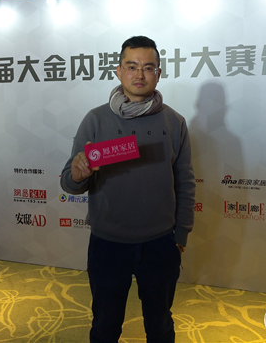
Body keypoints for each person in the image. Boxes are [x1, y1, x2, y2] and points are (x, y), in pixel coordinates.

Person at [60, 35, 196, 343]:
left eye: (148, 68)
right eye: (131, 66)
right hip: (108, 243)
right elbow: (69, 181)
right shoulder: (96, 120)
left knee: (160, 326)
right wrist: (78, 175)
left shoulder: (174, 122)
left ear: (158, 73)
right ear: (119, 71)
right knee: (105, 326)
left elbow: (185, 181)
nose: (139, 74)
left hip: (160, 243)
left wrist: (180, 235)